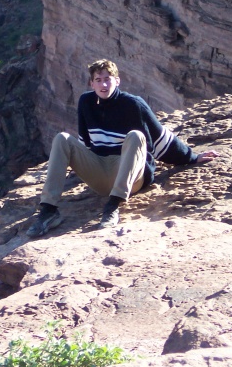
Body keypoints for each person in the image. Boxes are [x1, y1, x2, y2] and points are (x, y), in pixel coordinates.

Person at [27, 59, 219, 236]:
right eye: (98, 80)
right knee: (62, 138)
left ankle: (113, 206)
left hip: (131, 177)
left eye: (107, 79)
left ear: (117, 81)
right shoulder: (86, 102)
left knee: (136, 136)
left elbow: (161, 139)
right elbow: (84, 143)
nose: (103, 85)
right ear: (91, 84)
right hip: (100, 174)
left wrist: (191, 157)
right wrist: (76, 167)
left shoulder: (134, 104)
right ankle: (48, 210)